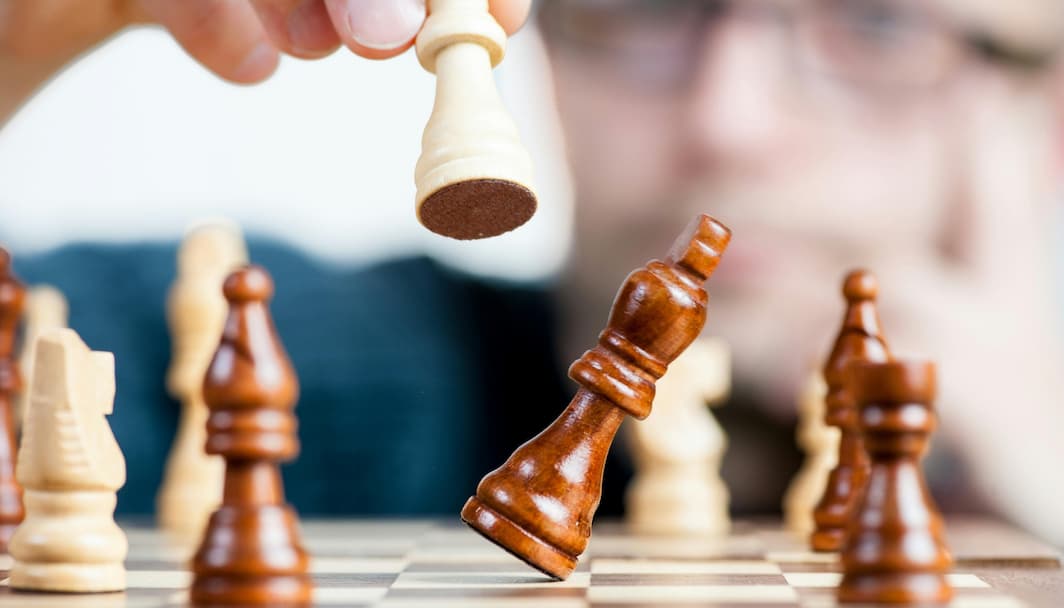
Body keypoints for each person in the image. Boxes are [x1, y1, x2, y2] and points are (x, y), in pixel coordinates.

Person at [2, 0, 1063, 548]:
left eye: (876, 23)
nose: (724, 120)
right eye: (644, 6)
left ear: (1046, 114)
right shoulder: (330, 374)